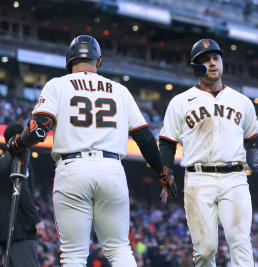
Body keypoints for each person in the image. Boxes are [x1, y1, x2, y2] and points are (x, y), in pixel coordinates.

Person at [6, 35, 177, 267]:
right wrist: (162, 173)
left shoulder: (58, 84)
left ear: (70, 61)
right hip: (111, 168)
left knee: (74, 255)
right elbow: (145, 138)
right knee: (119, 249)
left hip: (73, 167)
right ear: (99, 62)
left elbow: (37, 131)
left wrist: (17, 143)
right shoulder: (119, 90)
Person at [159, 39, 258, 267]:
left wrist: (254, 150)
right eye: (206, 59)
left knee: (240, 243)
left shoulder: (242, 101)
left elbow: (254, 136)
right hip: (198, 179)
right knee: (205, 251)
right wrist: (166, 173)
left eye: (216, 58)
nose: (212, 63)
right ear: (196, 67)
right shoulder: (180, 102)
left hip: (234, 178)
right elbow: (166, 142)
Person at [0, 124, 45, 267]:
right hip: (21, 230)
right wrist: (35, 218)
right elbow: (20, 188)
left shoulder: (3, 159)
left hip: (5, 233)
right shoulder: (19, 153)